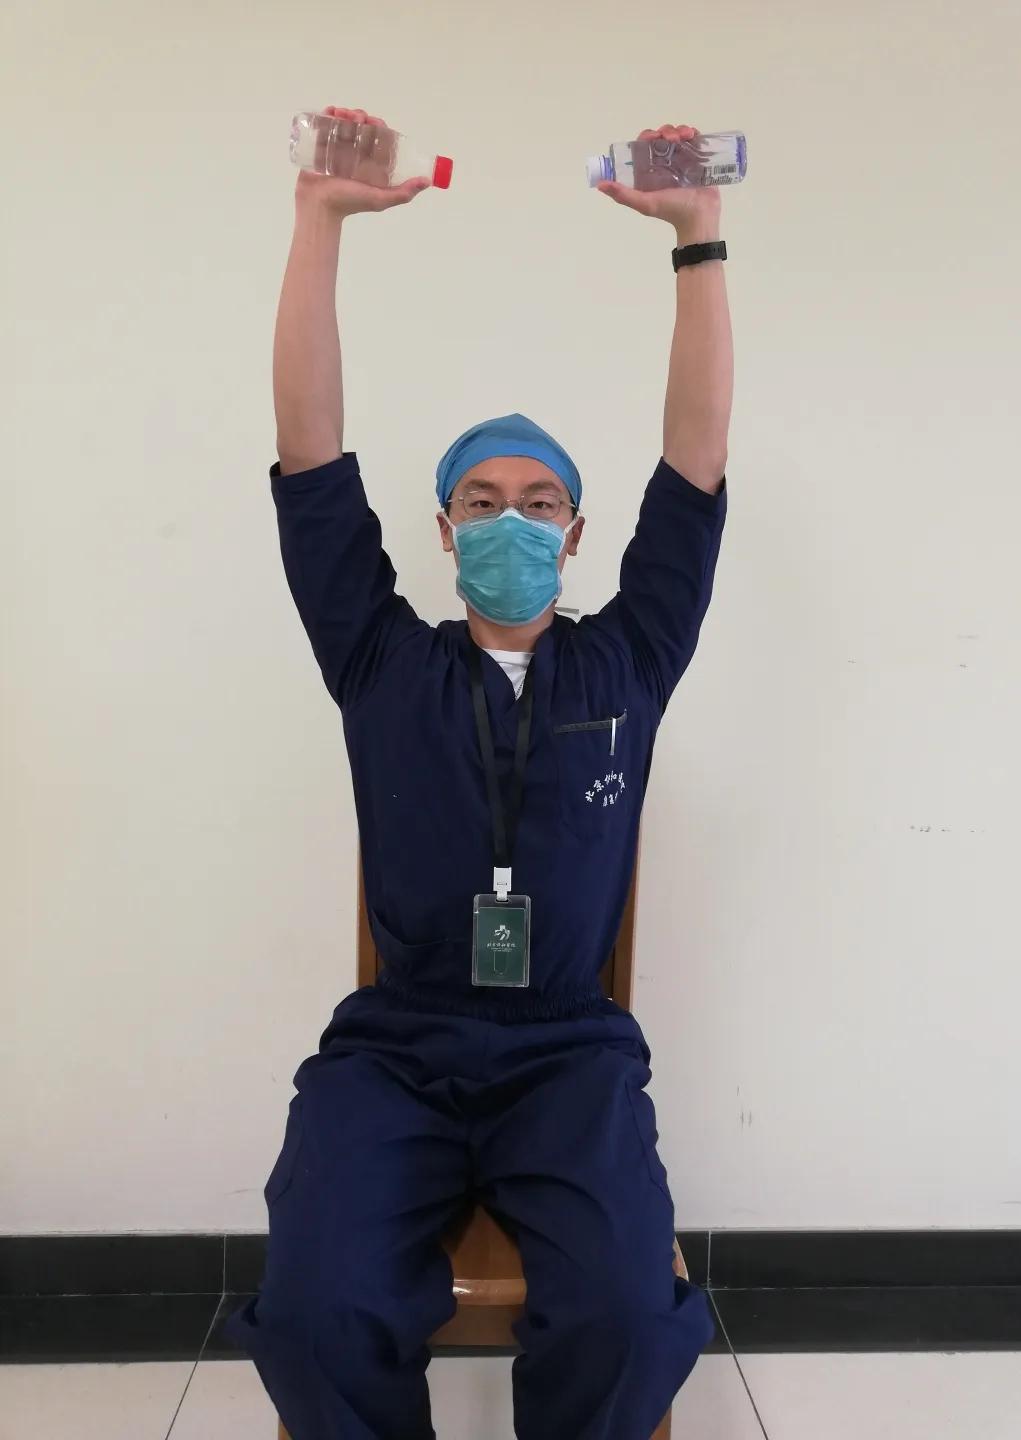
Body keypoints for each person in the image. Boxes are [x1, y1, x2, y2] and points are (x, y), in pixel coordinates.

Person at [225, 105, 734, 1440]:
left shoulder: (630, 659)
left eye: (541, 503)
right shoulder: (379, 657)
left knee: (629, 1318)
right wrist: (320, 224)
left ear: (578, 535)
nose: (514, 520)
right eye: (484, 502)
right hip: (399, 1050)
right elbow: (309, 451)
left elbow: (695, 461)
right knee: (316, 1312)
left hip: (567, 1050)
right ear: (446, 531)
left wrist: (698, 240)